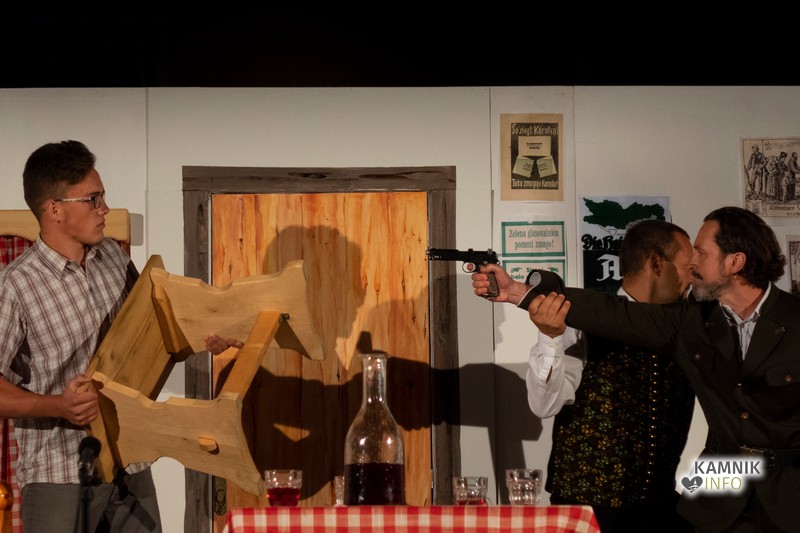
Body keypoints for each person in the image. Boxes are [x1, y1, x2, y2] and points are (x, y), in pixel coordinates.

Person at [473, 206, 800, 533]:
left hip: (741, 495)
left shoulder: (744, 320)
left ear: (735, 262)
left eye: (701, 253)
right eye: (689, 256)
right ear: (657, 263)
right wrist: (519, 293)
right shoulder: (689, 321)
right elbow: (612, 315)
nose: (692, 264)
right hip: (610, 506)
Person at [0, 141, 239, 532]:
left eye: (103, 197)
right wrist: (57, 405)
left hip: (131, 461)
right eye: (92, 199)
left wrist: (200, 336)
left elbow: (153, 335)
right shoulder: (15, 286)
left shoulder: (113, 256)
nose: (104, 209)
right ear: (54, 209)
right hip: (61, 474)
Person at [526, 220, 695, 532]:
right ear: (657, 263)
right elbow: (544, 405)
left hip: (659, 510)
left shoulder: (689, 328)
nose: (693, 277)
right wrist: (549, 339)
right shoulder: (582, 321)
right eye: (688, 267)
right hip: (587, 513)